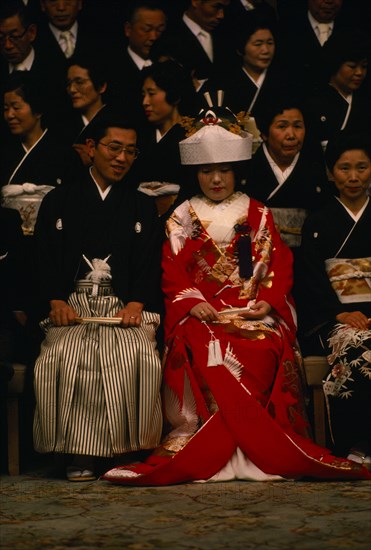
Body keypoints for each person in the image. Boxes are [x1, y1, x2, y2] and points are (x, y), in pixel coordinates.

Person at [102, 108, 370, 485]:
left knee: (264, 344)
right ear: (195, 173)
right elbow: (170, 268)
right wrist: (192, 302)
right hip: (202, 312)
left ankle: (261, 442)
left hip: (253, 310)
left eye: (224, 170)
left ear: (236, 172)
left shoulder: (257, 212)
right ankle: (201, 437)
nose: (216, 179)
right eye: (207, 171)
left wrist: (268, 301)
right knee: (194, 344)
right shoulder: (181, 216)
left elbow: (279, 263)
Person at [33, 117, 163, 481]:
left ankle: (129, 449)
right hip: (73, 306)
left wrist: (138, 301)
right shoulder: (58, 200)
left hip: (123, 307)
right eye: (114, 148)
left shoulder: (141, 206)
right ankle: (81, 454)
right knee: (67, 356)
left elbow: (150, 261)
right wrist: (55, 299)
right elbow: (43, 256)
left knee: (135, 355)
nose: (122, 158)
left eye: (130, 151)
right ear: (91, 148)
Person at [297, 132, 371, 469]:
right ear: (330, 173)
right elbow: (310, 280)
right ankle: (357, 442)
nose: (353, 177)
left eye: (361, 168)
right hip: (337, 317)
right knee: (356, 345)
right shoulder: (318, 222)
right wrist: (338, 313)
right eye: (344, 169)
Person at [245, 95, 329, 249]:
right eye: (282, 127)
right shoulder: (248, 169)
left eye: (297, 126)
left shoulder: (315, 168)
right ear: (264, 133)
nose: (291, 135)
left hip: (306, 254)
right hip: (258, 253)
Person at [136, 59, 198, 217]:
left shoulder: (193, 134)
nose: (145, 102)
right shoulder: (140, 136)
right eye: (143, 95)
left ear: (174, 95)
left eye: (152, 94)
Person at [304, 30, 370, 151]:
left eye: (364, 66)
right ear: (335, 64)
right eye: (352, 66)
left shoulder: (365, 101)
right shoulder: (314, 102)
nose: (360, 72)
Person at [109, 1, 167, 130]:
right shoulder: (111, 68)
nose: (153, 36)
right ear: (128, 29)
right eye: (147, 29)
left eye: (160, 30)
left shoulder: (168, 67)